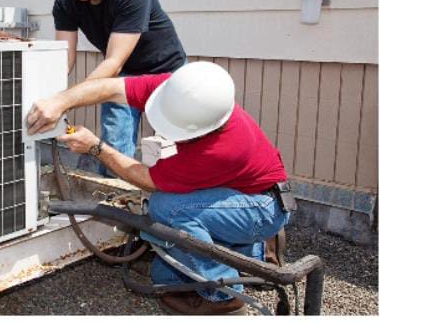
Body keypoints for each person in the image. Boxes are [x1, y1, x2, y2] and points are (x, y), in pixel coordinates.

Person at [26, 61, 292, 315]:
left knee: (167, 209)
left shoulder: (222, 149)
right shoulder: (180, 92)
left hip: (261, 206)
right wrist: (60, 101)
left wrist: (95, 147)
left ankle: (223, 297)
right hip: (242, 193)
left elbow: (146, 179)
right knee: (163, 273)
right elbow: (110, 87)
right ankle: (257, 253)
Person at [53, 0, 187, 176]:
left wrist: (65, 100)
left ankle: (175, 204)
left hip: (167, 73)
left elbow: (113, 61)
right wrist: (50, 96)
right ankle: (116, 205)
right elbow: (65, 58)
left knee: (179, 146)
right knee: (113, 147)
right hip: (124, 76)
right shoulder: (65, 0)